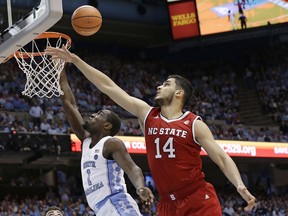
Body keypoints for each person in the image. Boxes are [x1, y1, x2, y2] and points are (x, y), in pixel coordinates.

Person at [46, 46, 256, 216]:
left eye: (166, 84)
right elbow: (108, 87)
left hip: (197, 198)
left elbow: (221, 157)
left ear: (179, 93)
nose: (159, 87)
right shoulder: (147, 115)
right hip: (166, 204)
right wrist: (75, 60)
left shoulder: (194, 123)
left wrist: (239, 185)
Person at [59, 69, 154, 215]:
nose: (92, 115)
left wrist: (140, 187)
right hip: (100, 208)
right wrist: (60, 70)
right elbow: (69, 104)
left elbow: (132, 168)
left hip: (116, 202)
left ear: (107, 125)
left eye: (99, 114)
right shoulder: (86, 140)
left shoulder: (111, 143)